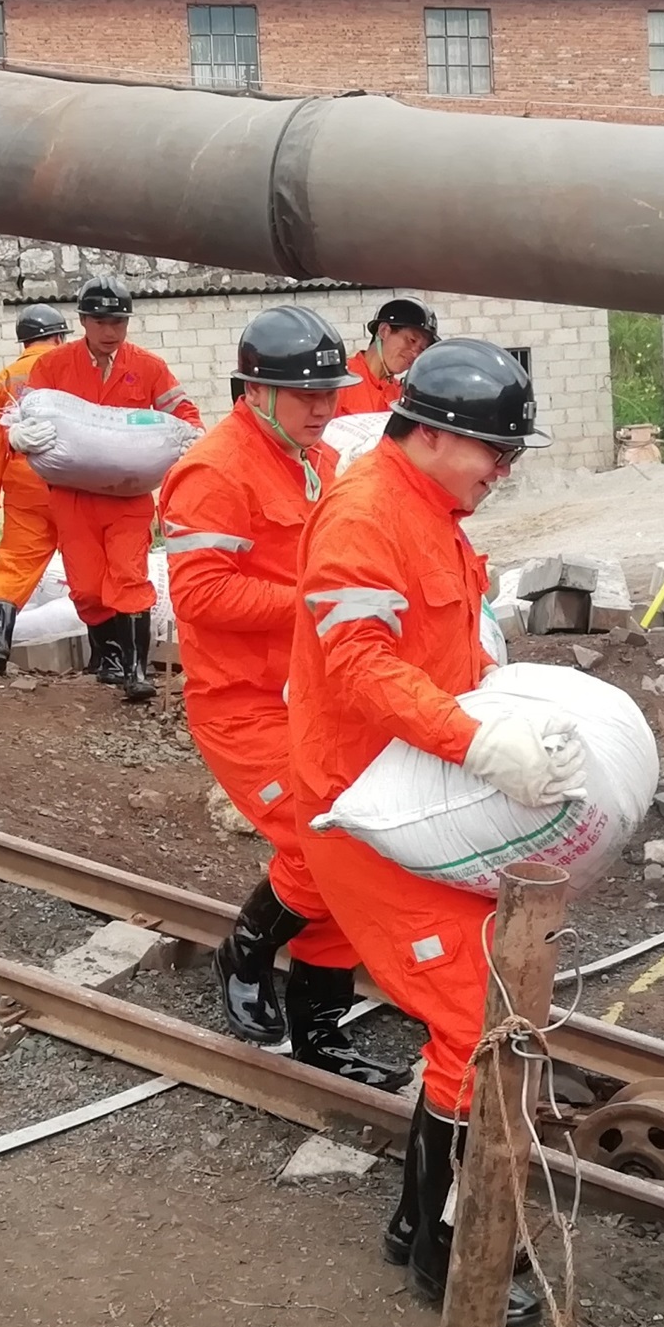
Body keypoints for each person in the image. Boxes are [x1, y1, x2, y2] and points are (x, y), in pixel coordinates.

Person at [292, 338, 576, 1327]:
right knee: (470, 1017)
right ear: (438, 432)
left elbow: (436, 647)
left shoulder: (428, 512)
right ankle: (447, 1253)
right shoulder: (369, 515)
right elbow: (359, 665)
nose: (503, 471)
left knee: (481, 1005)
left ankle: (422, 1227)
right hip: (365, 808)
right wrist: (476, 739)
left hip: (416, 793)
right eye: (494, 452)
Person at [157, 305, 403, 1091]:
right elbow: (198, 597)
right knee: (318, 843)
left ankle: (320, 1028)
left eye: (332, 394)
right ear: (256, 390)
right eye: (309, 397)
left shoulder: (317, 459)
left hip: (312, 696)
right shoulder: (213, 471)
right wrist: (313, 601)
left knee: (348, 841)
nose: (327, 409)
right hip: (242, 702)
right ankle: (251, 948)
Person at [13, 277, 199, 704]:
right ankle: (108, 658)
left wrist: (193, 439)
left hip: (128, 497)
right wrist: (17, 436)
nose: (110, 330)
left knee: (129, 576)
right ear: (83, 321)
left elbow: (183, 413)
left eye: (118, 321)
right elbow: (27, 413)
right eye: (100, 320)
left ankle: (136, 671)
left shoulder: (148, 367)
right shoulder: (53, 366)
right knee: (86, 587)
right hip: (72, 496)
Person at [0, 304, 71, 675]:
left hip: (25, 488)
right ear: (60, 337)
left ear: (23, 342)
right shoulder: (77, 370)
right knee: (92, 571)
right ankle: (112, 661)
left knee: (13, 568)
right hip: (76, 486)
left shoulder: (3, 380)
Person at [333, 297, 438, 415]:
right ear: (384, 331)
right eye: (412, 340)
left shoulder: (402, 396)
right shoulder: (340, 380)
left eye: (422, 349)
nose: (415, 353)